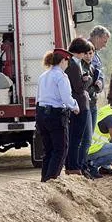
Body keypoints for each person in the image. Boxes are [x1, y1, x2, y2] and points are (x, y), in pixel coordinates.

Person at [36, 49, 79, 182]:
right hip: (56, 115)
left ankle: (45, 179)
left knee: (48, 150)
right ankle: (52, 180)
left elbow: (38, 97)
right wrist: (75, 107)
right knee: (60, 149)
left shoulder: (43, 75)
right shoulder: (61, 76)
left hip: (41, 113)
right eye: (68, 61)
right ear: (63, 61)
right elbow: (66, 98)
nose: (68, 64)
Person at [64, 38, 94, 177]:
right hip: (79, 105)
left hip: (78, 104)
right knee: (76, 138)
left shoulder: (72, 63)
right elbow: (78, 88)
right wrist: (87, 81)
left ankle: (72, 165)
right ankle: (73, 166)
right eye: (84, 52)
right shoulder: (73, 65)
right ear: (79, 52)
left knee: (74, 138)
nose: (85, 56)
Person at [87, 25, 110, 132]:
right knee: (85, 137)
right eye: (104, 42)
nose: (105, 46)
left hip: (92, 99)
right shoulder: (85, 51)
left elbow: (98, 72)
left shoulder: (95, 54)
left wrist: (100, 81)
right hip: (86, 100)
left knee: (89, 136)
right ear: (97, 38)